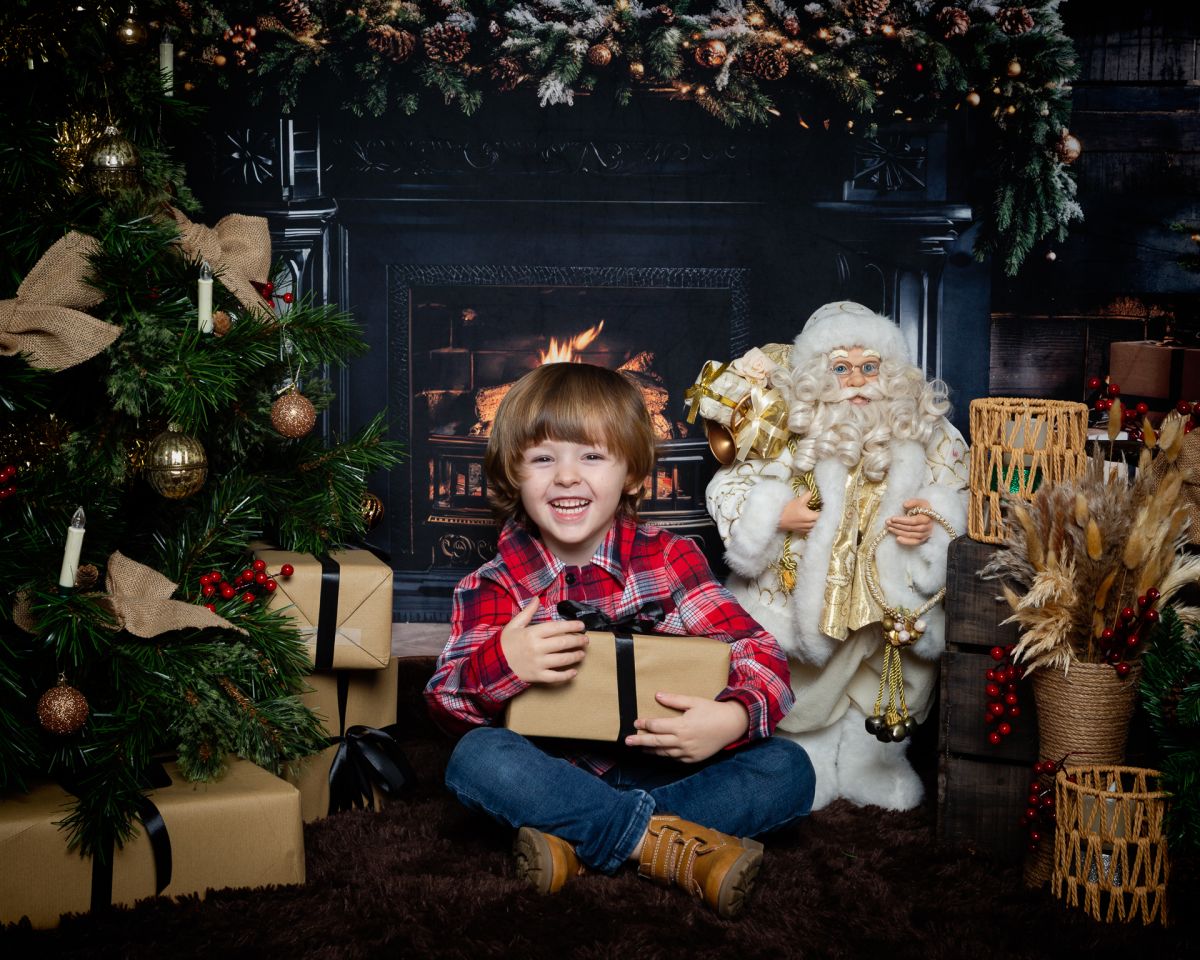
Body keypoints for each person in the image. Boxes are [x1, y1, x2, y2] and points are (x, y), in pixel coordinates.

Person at [424, 362, 814, 920]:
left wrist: (730, 719)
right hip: (557, 780)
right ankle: (666, 848)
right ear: (513, 473)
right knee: (475, 759)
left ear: (631, 474)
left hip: (672, 768)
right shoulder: (493, 583)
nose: (565, 477)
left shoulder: (671, 558)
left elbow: (761, 656)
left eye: (591, 455)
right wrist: (503, 662)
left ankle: (578, 848)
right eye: (542, 458)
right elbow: (446, 702)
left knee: (789, 768)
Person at [705, 301, 969, 812]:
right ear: (816, 376)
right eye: (841, 369)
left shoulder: (926, 430)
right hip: (808, 593)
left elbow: (958, 490)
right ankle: (807, 761)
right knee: (805, 689)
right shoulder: (785, 430)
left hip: (889, 602)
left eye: (870, 367)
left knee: (893, 685)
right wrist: (775, 515)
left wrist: (934, 521)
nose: (856, 382)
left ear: (890, 372)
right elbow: (729, 486)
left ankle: (876, 763)